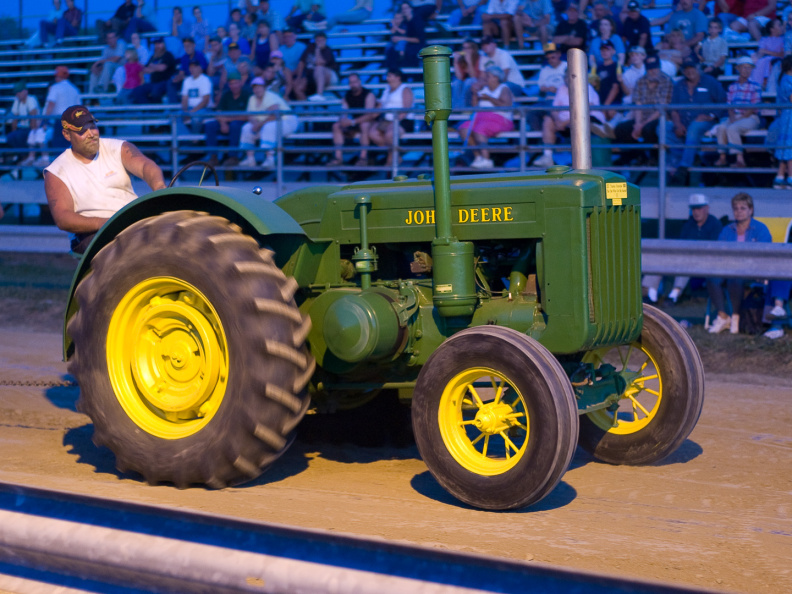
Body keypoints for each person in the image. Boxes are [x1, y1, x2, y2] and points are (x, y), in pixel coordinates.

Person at [44, 105, 166, 254]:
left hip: (131, 221)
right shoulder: (56, 171)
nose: (91, 134)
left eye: (92, 127)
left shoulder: (118, 147)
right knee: (127, 246)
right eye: (82, 131)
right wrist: (107, 223)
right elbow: (63, 218)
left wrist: (159, 188)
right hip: (91, 233)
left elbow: (146, 166)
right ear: (67, 134)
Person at [707, 192, 772, 334]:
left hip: (753, 270)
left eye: (743, 208)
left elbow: (764, 254)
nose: (739, 211)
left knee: (735, 278)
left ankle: (735, 317)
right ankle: (723, 316)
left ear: (751, 210)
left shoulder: (761, 229)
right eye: (736, 208)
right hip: (728, 267)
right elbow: (719, 252)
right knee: (712, 277)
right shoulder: (727, 230)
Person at [642, 193, 722, 304]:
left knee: (685, 261)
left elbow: (714, 250)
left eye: (699, 208)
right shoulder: (688, 225)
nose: (696, 212)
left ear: (706, 208)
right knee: (662, 258)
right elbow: (681, 245)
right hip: (687, 258)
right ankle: (651, 293)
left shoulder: (715, 224)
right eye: (693, 209)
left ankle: (674, 294)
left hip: (706, 262)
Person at [668, 60, 727, 185]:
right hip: (683, 122)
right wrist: (678, 125)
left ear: (698, 68)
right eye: (686, 69)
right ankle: (675, 165)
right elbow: (673, 109)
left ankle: (683, 167)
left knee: (694, 128)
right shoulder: (679, 85)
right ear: (683, 71)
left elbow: (723, 102)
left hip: (705, 122)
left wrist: (711, 115)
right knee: (663, 128)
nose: (690, 71)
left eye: (692, 68)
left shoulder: (710, 82)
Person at [535, 72, 605, 167]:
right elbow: (554, 108)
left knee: (580, 121)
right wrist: (558, 121)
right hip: (565, 123)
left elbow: (586, 110)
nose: (568, 79)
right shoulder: (562, 88)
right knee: (548, 120)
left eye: (570, 77)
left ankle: (581, 160)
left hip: (588, 121)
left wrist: (564, 123)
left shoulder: (586, 87)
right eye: (566, 77)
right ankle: (547, 155)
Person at [613, 55, 672, 166]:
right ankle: (639, 156)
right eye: (650, 68)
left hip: (661, 118)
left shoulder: (667, 81)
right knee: (621, 129)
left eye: (655, 68)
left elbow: (662, 108)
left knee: (648, 129)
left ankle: (655, 158)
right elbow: (638, 105)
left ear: (659, 68)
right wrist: (638, 124)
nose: (653, 71)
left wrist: (642, 125)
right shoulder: (640, 81)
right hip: (642, 118)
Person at [458, 65, 515, 169]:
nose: (485, 79)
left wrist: (489, 98)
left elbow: (506, 106)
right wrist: (474, 94)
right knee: (464, 128)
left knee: (480, 129)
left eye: (488, 76)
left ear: (496, 78)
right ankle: (478, 157)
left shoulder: (504, 88)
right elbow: (474, 106)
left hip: (499, 119)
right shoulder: (484, 89)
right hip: (480, 117)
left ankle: (486, 158)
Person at [238, 77, 298, 168]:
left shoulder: (270, 96)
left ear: (264, 87)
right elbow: (250, 115)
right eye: (255, 87)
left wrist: (258, 125)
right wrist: (255, 124)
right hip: (266, 123)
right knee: (246, 127)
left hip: (287, 121)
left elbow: (275, 115)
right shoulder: (252, 98)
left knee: (269, 127)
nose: (257, 89)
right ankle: (250, 159)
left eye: (259, 87)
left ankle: (270, 159)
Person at [714, 56, 762, 168]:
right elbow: (730, 105)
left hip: (750, 117)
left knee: (733, 128)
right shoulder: (732, 86)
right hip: (735, 116)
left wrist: (739, 118)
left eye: (749, 68)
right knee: (721, 127)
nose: (747, 70)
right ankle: (722, 157)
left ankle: (740, 159)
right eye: (744, 67)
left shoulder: (755, 86)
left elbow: (753, 107)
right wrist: (732, 117)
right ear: (738, 69)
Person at [204, 72, 251, 167]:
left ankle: (233, 157)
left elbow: (248, 116)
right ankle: (213, 157)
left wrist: (227, 120)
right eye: (231, 83)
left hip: (240, 123)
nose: (234, 86)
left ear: (240, 83)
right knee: (210, 125)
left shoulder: (247, 94)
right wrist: (223, 123)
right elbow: (218, 111)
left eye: (236, 83)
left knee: (235, 125)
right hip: (225, 121)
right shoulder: (226, 94)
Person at [329, 73, 377, 166]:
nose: (353, 84)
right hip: (354, 123)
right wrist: (343, 120)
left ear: (360, 82)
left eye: (355, 82)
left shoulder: (369, 95)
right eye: (351, 82)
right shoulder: (347, 95)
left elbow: (369, 115)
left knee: (364, 125)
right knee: (336, 126)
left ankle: (363, 158)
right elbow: (344, 111)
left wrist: (352, 122)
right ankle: (338, 158)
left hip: (368, 123)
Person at [369, 68, 414, 168]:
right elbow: (380, 106)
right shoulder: (387, 90)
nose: (387, 78)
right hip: (387, 120)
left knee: (390, 134)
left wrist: (397, 120)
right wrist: (370, 116)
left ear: (398, 77)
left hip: (403, 121)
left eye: (389, 76)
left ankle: (391, 158)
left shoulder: (405, 89)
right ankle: (394, 154)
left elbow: (406, 108)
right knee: (372, 133)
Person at [42, 65, 82, 156]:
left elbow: (51, 104)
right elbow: (79, 108)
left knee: (59, 149)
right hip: (73, 121)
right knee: (70, 148)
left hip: (60, 120)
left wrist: (45, 120)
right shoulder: (74, 89)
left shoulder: (55, 88)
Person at [293, 32, 337, 101]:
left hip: (329, 77)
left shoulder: (327, 50)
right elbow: (301, 62)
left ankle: (320, 94)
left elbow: (319, 63)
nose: (320, 42)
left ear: (325, 41)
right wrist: (299, 77)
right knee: (298, 88)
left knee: (319, 68)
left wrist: (317, 50)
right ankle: (307, 107)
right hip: (311, 76)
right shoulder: (310, 48)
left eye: (322, 40)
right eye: (318, 40)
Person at [132, 38, 177, 104]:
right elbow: (145, 69)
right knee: (137, 91)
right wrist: (155, 68)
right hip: (153, 83)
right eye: (156, 44)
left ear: (163, 44)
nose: (157, 46)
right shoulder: (153, 57)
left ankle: (158, 109)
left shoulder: (168, 55)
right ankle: (148, 108)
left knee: (155, 91)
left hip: (165, 82)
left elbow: (162, 68)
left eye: (159, 44)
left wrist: (152, 66)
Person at [771, 55, 792, 188]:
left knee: (786, 147)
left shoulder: (784, 79)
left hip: (786, 116)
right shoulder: (788, 80)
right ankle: (790, 177)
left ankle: (780, 176)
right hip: (789, 117)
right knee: (789, 147)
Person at [8, 83, 41, 166]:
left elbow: (33, 116)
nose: (17, 94)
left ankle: (26, 157)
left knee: (20, 136)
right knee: (11, 137)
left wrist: (33, 132)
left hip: (32, 128)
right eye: (16, 93)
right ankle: (22, 156)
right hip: (22, 128)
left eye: (19, 92)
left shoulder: (31, 99)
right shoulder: (17, 101)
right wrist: (14, 131)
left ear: (25, 91)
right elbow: (15, 118)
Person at [168, 37, 208, 104]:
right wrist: (178, 78)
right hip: (187, 79)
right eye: (185, 46)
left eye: (188, 46)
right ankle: (173, 106)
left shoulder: (200, 55)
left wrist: (185, 77)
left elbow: (200, 72)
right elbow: (181, 72)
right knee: (171, 82)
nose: (187, 48)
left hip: (198, 79)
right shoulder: (184, 57)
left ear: (194, 45)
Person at [751, 17, 784, 90]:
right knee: (759, 61)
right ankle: (757, 84)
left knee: (768, 60)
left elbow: (782, 54)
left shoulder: (783, 39)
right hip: (765, 60)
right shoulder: (764, 39)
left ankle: (765, 82)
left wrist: (766, 51)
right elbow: (760, 51)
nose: (782, 27)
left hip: (777, 60)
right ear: (772, 29)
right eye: (779, 25)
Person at [180, 60, 213, 135]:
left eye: (194, 67)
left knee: (196, 119)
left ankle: (194, 139)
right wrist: (185, 111)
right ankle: (186, 138)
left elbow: (205, 101)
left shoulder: (205, 80)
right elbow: (184, 99)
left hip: (204, 109)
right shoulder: (186, 81)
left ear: (200, 68)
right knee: (175, 117)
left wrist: (192, 112)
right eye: (190, 67)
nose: (192, 69)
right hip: (190, 109)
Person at [308, 0, 374, 31]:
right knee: (336, 17)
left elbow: (360, 6)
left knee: (337, 16)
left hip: (363, 12)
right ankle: (317, 26)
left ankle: (316, 25)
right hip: (361, 12)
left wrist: (347, 12)